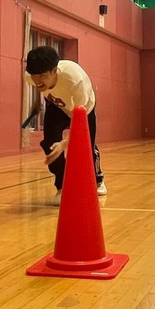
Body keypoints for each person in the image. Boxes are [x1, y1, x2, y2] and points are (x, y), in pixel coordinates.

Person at [25, 45, 107, 201]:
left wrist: (63, 144)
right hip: (57, 107)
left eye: (42, 75)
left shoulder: (75, 80)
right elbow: (37, 85)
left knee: (86, 146)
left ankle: (98, 179)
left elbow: (79, 124)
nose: (38, 80)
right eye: (34, 76)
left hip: (83, 110)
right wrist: (36, 102)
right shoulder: (30, 76)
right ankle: (62, 187)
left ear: (54, 70)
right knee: (51, 146)